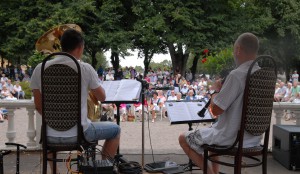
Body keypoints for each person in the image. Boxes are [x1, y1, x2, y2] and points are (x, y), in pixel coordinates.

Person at [30, 29, 120, 173]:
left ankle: (55, 171)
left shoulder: (39, 69)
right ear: (80, 48)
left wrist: (57, 121)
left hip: (49, 135)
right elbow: (102, 97)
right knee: (116, 130)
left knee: (48, 131)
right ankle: (105, 167)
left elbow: (39, 106)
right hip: (80, 134)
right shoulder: (84, 68)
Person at [179, 33, 261, 174]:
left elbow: (216, 110)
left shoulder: (237, 75)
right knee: (213, 132)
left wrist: (216, 91)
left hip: (233, 138)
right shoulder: (262, 74)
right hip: (254, 139)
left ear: (238, 49)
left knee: (183, 139)